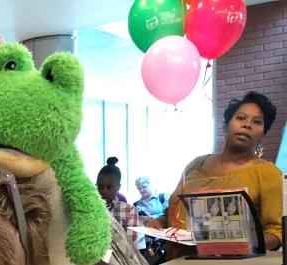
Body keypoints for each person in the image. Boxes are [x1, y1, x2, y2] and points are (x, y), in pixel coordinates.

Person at [149, 91, 283, 252]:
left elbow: (278, 230)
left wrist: (249, 243)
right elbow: (175, 210)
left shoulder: (268, 174)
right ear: (226, 125)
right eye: (240, 118)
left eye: (257, 122)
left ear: (263, 134)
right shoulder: (195, 165)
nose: (247, 124)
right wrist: (160, 222)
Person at [97, 157, 142, 250]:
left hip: (119, 259)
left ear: (118, 187)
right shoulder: (91, 208)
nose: (104, 191)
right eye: (100, 187)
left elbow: (130, 242)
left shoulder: (129, 210)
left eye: (109, 187)